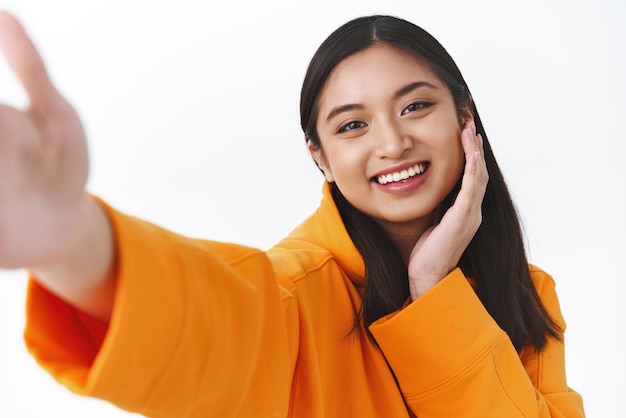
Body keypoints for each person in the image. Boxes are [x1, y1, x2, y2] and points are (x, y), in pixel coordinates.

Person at [0, 11, 585, 417]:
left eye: (415, 106)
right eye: (352, 124)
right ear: (321, 158)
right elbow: (210, 323)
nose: (391, 143)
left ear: (466, 118)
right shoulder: (298, 294)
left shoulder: (527, 294)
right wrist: (72, 243)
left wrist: (435, 293)